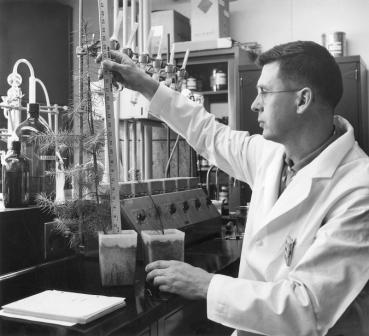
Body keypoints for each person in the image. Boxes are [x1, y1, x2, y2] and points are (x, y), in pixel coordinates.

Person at [100, 41, 369, 336]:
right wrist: (146, 85)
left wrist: (206, 284)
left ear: (302, 100)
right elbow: (208, 133)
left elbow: (306, 307)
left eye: (265, 92)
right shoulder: (271, 153)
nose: (255, 104)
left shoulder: (358, 189)